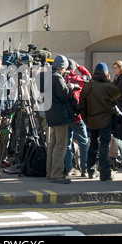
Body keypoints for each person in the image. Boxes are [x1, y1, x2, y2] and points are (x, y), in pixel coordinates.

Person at [80, 63, 121, 181]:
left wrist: (86, 119)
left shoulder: (87, 86)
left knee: (93, 144)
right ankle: (105, 172)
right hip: (105, 120)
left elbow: (82, 104)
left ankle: (91, 170)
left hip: (92, 120)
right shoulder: (107, 86)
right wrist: (108, 80)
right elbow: (117, 93)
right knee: (104, 145)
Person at [45, 55, 75, 184]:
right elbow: (64, 95)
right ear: (62, 67)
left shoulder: (45, 76)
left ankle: (50, 171)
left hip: (50, 113)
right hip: (60, 115)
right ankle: (57, 173)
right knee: (60, 145)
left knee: (52, 144)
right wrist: (70, 88)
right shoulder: (57, 78)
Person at [64, 59, 91, 177]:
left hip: (65, 116)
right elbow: (88, 77)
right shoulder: (77, 80)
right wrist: (80, 67)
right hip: (77, 116)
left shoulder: (62, 79)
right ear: (74, 68)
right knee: (83, 142)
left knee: (67, 143)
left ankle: (68, 168)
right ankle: (84, 168)